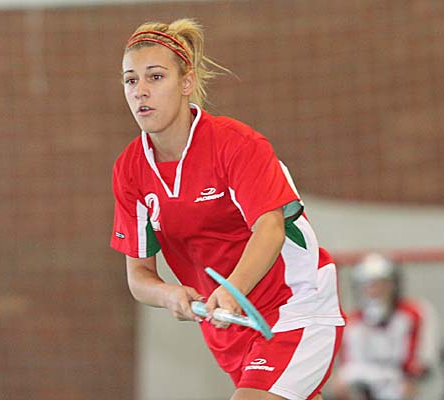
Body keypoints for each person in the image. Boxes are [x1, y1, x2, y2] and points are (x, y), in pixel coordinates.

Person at [109, 18, 346, 400]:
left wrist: (233, 289)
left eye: (155, 77)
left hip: (293, 303)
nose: (141, 91)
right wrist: (168, 295)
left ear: (186, 82)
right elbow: (138, 276)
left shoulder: (236, 144)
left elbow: (270, 228)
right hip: (229, 326)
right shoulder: (129, 169)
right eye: (130, 80)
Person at [331, 253, 444, 400]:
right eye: (368, 285)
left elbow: (422, 363)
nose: (374, 291)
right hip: (381, 387)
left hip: (424, 391)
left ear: (393, 286)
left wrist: (402, 378)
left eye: (381, 284)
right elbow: (349, 368)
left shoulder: (416, 313)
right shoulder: (353, 325)